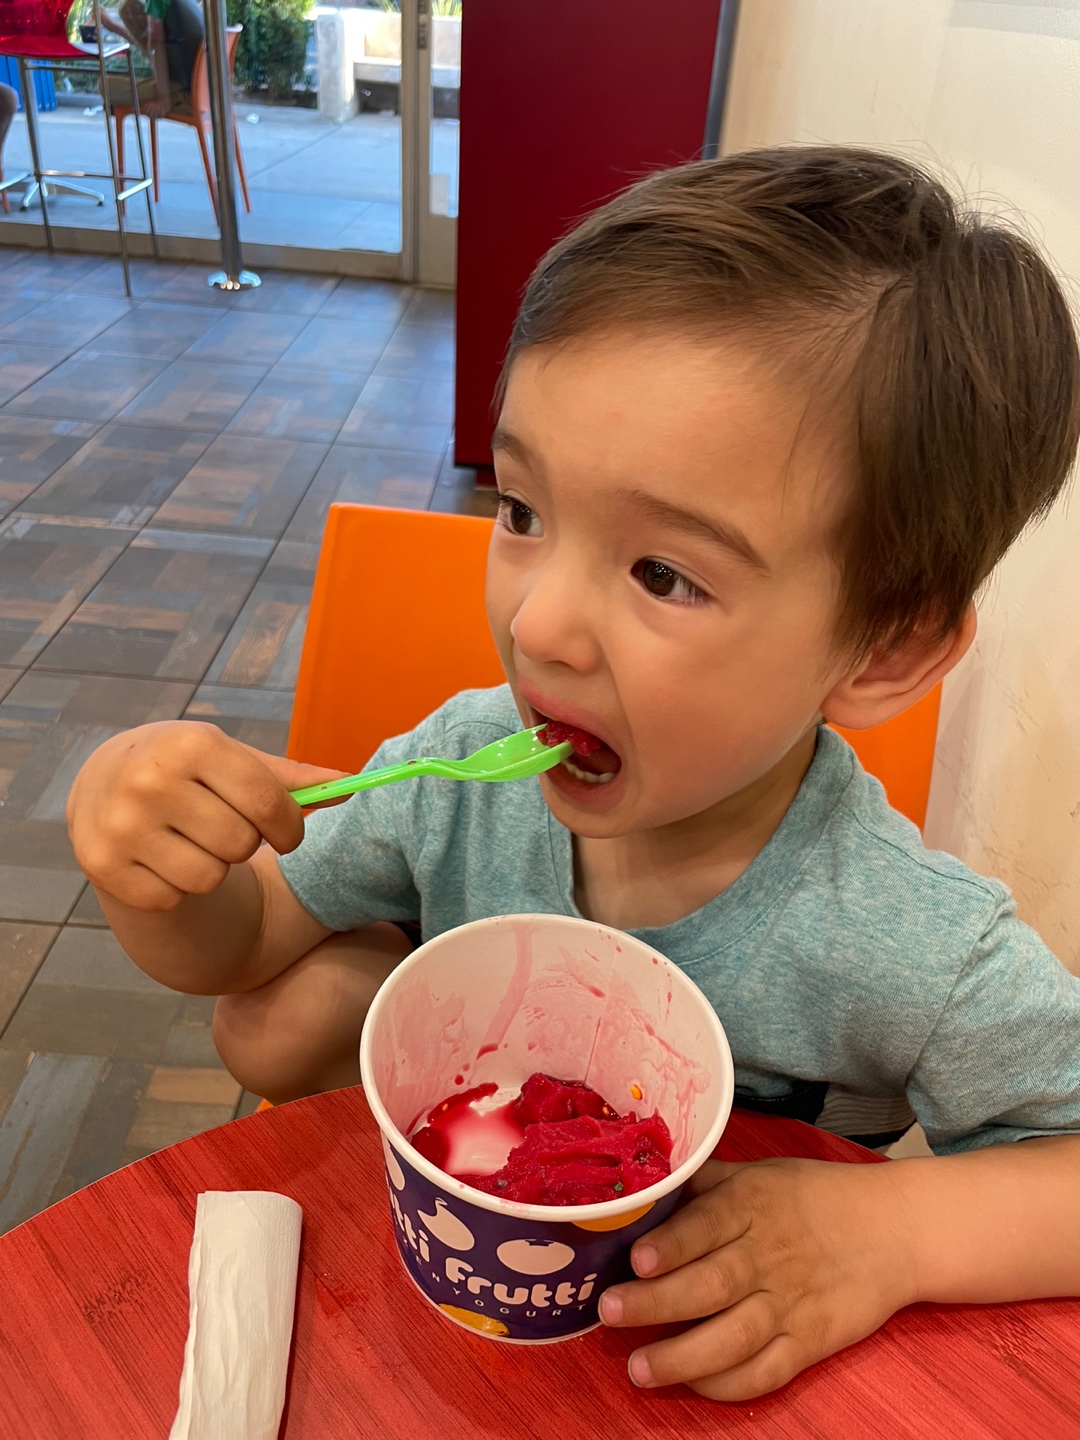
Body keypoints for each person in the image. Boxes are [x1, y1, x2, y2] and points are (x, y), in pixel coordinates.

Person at [67, 147, 1080, 1402]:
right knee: (291, 1007)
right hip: (439, 1321)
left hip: (710, 1361)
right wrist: (155, 865)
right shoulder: (461, 771)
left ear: (883, 650)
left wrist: (893, 1231)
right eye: (521, 509)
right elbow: (244, 944)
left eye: (664, 574)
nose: (537, 622)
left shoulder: (908, 942)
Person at [98, 0, 204, 119]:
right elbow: (152, 44)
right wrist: (113, 27)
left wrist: (164, 100)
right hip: (203, 86)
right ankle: (177, 97)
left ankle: (180, 99)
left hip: (190, 91)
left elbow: (155, 43)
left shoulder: (155, 3)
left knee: (104, 85)